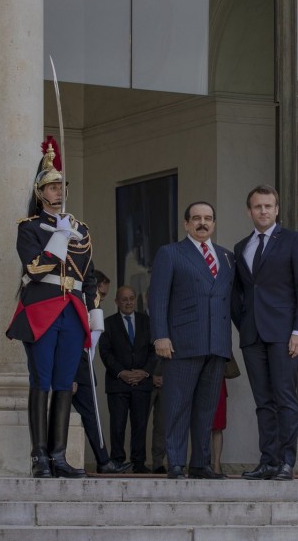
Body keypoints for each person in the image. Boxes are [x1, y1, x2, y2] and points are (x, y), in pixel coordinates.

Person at [7, 136, 101, 478]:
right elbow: (34, 268)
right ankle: (39, 457)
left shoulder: (80, 229)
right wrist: (59, 237)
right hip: (42, 309)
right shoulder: (30, 228)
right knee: (42, 380)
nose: (59, 192)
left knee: (65, 382)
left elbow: (88, 276)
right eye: (52, 187)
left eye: (62, 186)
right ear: (40, 192)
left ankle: (59, 456)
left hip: (72, 311)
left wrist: (95, 315)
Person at [232, 184, 298, 481]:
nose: (263, 211)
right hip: (252, 335)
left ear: (277, 210)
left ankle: (286, 462)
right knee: (263, 402)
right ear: (249, 211)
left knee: (285, 398)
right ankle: (268, 460)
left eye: (268, 206)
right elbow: (238, 293)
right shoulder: (241, 247)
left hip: (284, 333)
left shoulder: (293, 240)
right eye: (258, 206)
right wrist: (244, 323)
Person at [148, 201, 234, 479]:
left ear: (214, 223)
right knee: (177, 405)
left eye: (208, 218)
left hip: (216, 344)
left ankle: (200, 464)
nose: (202, 223)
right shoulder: (171, 253)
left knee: (206, 409)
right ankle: (175, 462)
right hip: (181, 343)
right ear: (186, 223)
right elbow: (157, 298)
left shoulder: (226, 257)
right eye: (196, 218)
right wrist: (160, 335)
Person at [71, 270, 131, 474]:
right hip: (75, 370)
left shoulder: (93, 308)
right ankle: (103, 461)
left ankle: (104, 460)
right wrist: (71, 375)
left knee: (91, 416)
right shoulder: (79, 306)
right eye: (101, 293)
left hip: (84, 368)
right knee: (87, 415)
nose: (101, 298)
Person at [98, 285, 155, 473]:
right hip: (117, 383)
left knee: (140, 425)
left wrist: (144, 372)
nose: (128, 302)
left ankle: (139, 463)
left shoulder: (147, 322)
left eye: (131, 298)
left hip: (142, 383)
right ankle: (117, 461)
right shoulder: (108, 323)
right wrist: (121, 372)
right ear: (117, 302)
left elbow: (153, 351)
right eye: (124, 299)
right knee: (117, 425)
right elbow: (105, 353)